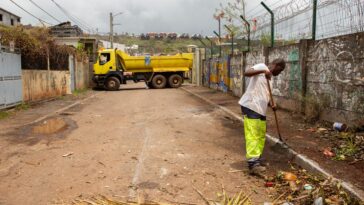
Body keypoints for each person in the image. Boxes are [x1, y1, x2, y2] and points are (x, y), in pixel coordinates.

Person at [238, 59, 286, 176]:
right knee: (253, 134)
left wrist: (271, 104)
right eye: (280, 70)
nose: (279, 73)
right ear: (275, 65)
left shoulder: (270, 79)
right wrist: (263, 71)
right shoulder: (261, 67)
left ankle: (257, 159)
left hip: (260, 109)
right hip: (250, 105)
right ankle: (253, 164)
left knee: (260, 134)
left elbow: (265, 95)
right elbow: (247, 73)